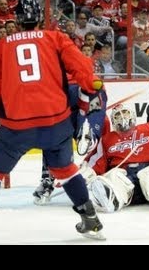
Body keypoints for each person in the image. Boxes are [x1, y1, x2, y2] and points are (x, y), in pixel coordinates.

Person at [0, 0, 105, 244]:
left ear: (15, 21)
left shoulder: (1, 46)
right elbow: (83, 67)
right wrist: (90, 89)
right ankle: (90, 218)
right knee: (65, 169)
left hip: (17, 126)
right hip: (56, 122)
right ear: (40, 20)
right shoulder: (55, 38)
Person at [80, 98, 149, 212]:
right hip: (126, 179)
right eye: (117, 115)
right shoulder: (107, 139)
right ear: (113, 121)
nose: (123, 117)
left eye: (125, 113)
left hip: (148, 170)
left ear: (132, 115)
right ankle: (111, 198)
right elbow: (97, 161)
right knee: (115, 175)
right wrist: (85, 173)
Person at [32, 44, 108, 205]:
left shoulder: (49, 64)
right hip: (84, 94)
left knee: (51, 138)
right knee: (99, 122)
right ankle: (89, 135)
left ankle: (47, 182)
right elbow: (93, 83)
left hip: (60, 100)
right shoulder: (79, 60)